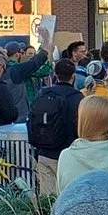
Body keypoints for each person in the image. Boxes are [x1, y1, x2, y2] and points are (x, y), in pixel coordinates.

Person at [28, 58, 84, 196]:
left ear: (56, 74)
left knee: (47, 199)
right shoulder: (78, 98)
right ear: (73, 76)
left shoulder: (43, 94)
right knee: (68, 197)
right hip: (70, 155)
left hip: (44, 153)